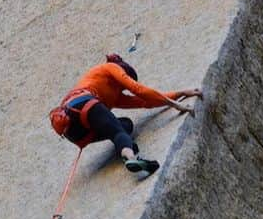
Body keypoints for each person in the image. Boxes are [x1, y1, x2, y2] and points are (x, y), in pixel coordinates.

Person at [50, 54, 202, 176]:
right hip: (82, 104)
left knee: (126, 125)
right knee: (118, 132)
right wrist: (175, 105)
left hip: (75, 134)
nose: (124, 87)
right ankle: (131, 157)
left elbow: (146, 102)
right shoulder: (110, 67)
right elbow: (139, 90)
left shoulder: (115, 97)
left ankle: (126, 150)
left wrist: (181, 93)